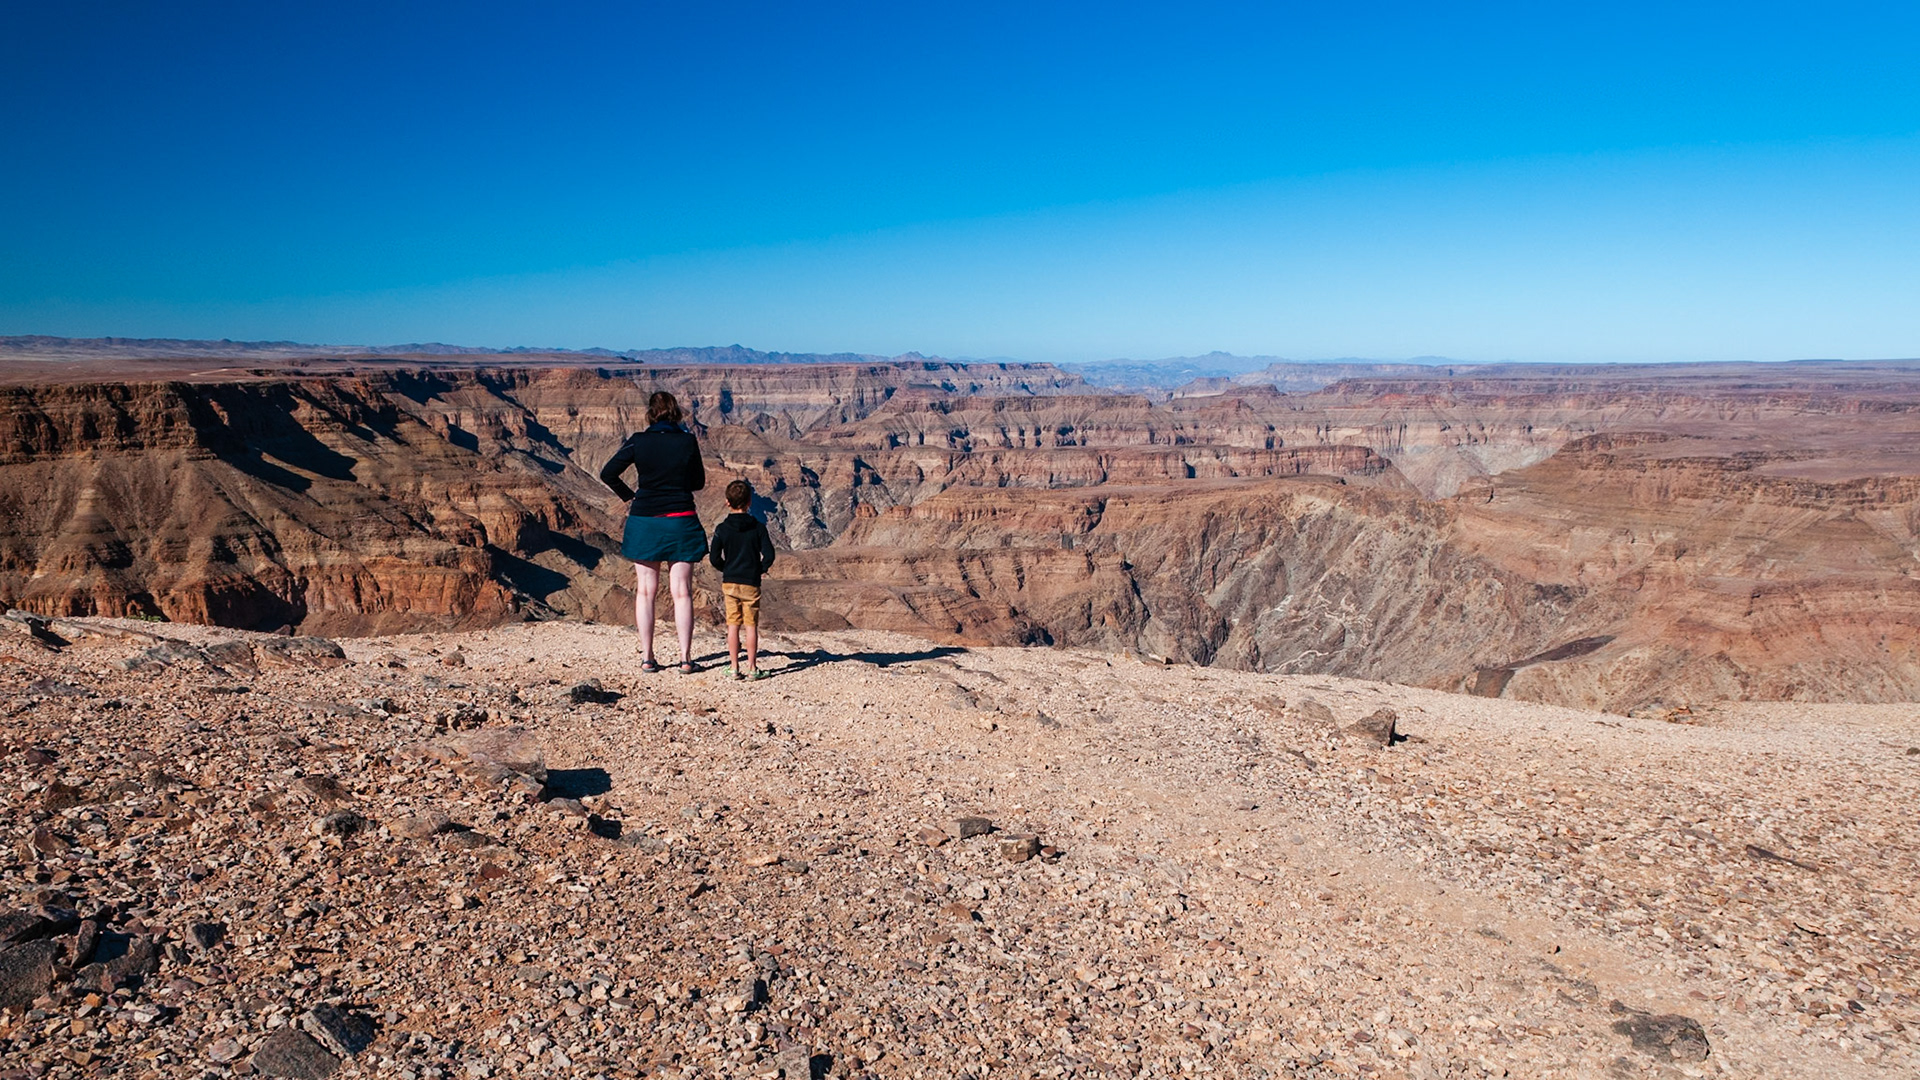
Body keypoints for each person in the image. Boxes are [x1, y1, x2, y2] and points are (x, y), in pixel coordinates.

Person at [600, 390, 706, 673]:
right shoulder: (687, 441)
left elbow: (608, 473)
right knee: (682, 592)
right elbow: (699, 482)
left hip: (645, 519)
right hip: (681, 519)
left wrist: (630, 495)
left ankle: (648, 657)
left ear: (650, 413)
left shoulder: (638, 441)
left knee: (646, 591)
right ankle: (685, 659)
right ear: (676, 413)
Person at [708, 479, 776, 679]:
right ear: (749, 502)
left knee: (733, 625)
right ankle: (753, 668)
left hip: (730, 582)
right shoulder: (758, 527)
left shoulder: (722, 528)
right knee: (751, 626)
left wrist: (726, 568)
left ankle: (734, 667)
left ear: (727, 502)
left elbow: (714, 558)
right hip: (751, 583)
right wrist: (759, 569)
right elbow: (769, 555)